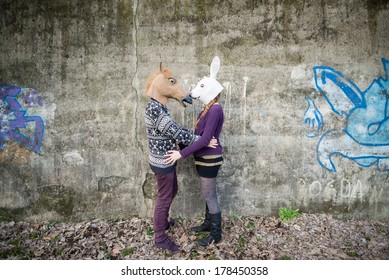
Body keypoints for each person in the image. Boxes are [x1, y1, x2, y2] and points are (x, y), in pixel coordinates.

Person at [144, 64, 217, 253]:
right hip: (163, 161)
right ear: (160, 82)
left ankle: (164, 222)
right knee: (164, 197)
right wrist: (202, 141)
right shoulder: (155, 109)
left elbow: (171, 131)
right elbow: (175, 131)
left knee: (171, 190)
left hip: (164, 159)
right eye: (171, 82)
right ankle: (160, 237)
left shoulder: (158, 107)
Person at [164, 56, 224, 247]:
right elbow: (199, 134)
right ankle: (208, 224)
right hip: (204, 157)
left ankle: (216, 234)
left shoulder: (215, 109)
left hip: (210, 159)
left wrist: (180, 154)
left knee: (209, 196)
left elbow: (205, 139)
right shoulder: (208, 109)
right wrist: (181, 144)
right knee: (207, 194)